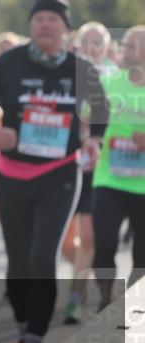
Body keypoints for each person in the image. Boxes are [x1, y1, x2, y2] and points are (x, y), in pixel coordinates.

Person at [0, 0, 107, 343]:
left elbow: (100, 111)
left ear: (65, 28)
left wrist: (94, 138)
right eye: (39, 18)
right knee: (17, 266)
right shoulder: (10, 63)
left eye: (52, 19)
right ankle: (23, 325)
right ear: (31, 25)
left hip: (60, 174)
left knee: (42, 258)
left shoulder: (81, 69)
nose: (44, 24)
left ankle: (32, 339)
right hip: (14, 174)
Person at [59, 22, 112, 323]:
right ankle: (83, 271)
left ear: (105, 49)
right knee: (65, 241)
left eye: (96, 42)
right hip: (66, 164)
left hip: (98, 168)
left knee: (88, 236)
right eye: (85, 41)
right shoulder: (65, 78)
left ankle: (75, 299)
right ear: (76, 45)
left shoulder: (113, 80)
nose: (90, 47)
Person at [92, 26, 145, 303]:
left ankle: (136, 304)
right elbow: (86, 118)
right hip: (109, 178)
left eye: (132, 46)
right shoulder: (109, 83)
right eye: (124, 45)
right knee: (103, 247)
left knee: (142, 255)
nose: (125, 50)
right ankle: (105, 297)